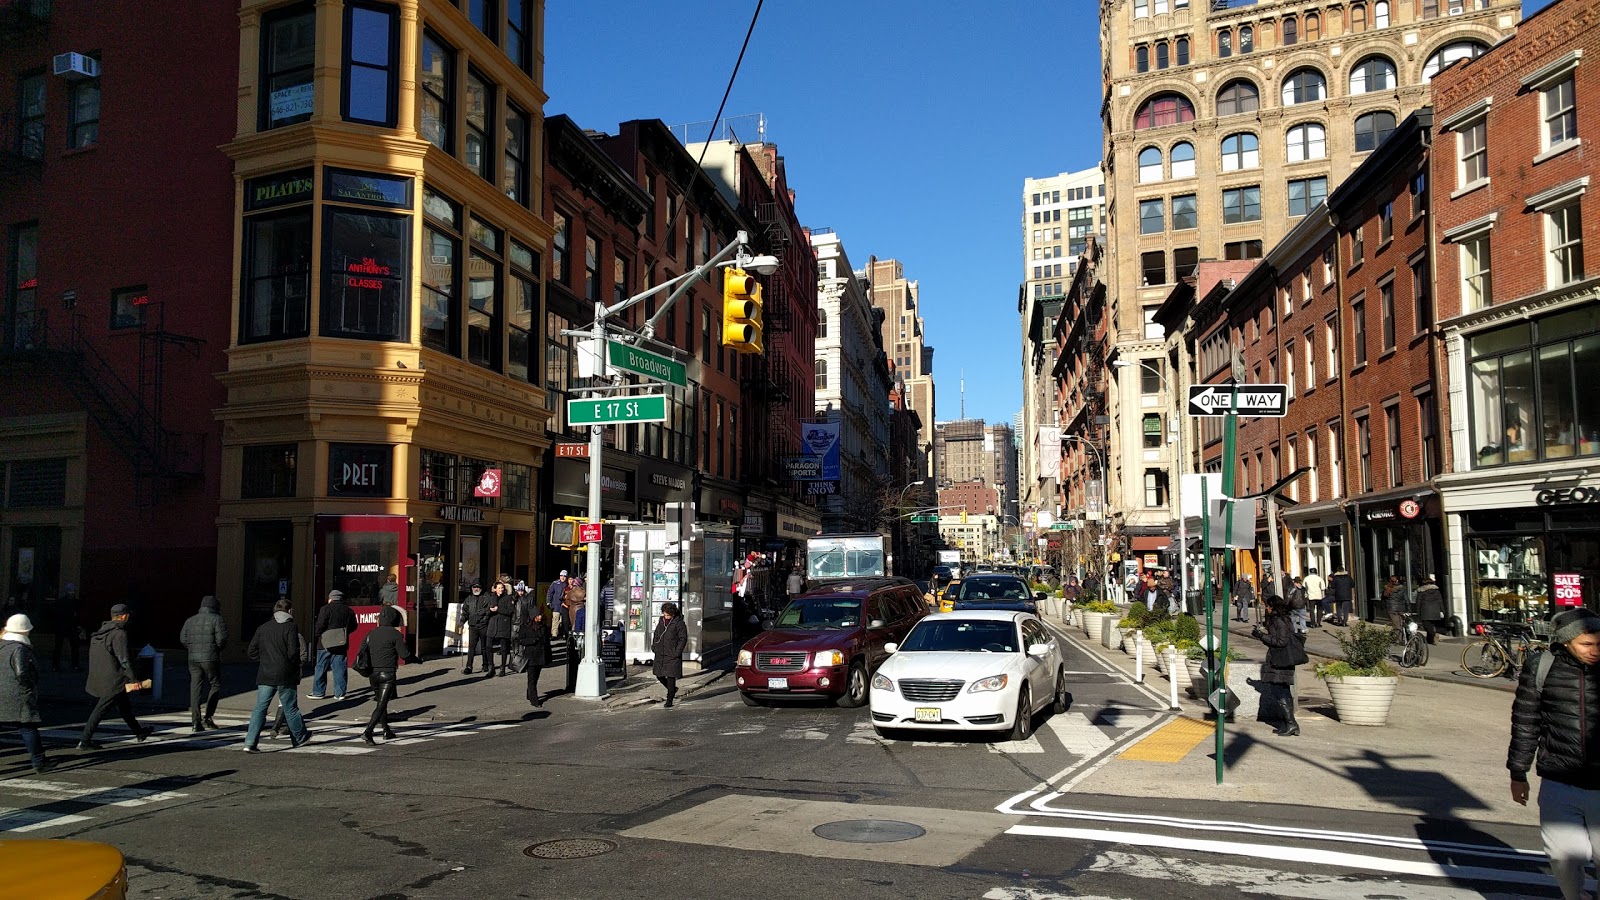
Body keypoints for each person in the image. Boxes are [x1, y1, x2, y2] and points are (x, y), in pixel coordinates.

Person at [1509, 608, 1600, 900]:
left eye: (1599, 643)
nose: (1594, 650)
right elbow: (1526, 721)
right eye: (1586, 644)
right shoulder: (1541, 667)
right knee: (1564, 857)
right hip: (1559, 781)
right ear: (1564, 642)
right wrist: (1518, 771)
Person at [79, 604, 152, 750]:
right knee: (100, 709)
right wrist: (133, 679)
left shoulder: (101, 632)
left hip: (103, 675)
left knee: (124, 707)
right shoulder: (119, 634)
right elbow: (123, 658)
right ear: (124, 616)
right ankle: (85, 740)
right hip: (114, 679)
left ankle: (139, 733)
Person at [243, 599, 310, 752]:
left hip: (266, 673)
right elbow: (293, 652)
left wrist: (265, 660)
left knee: (260, 707)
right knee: (290, 707)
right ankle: (299, 737)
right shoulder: (290, 627)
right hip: (285, 674)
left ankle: (250, 742)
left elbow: (251, 651)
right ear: (290, 611)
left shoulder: (263, 628)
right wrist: (293, 664)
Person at [0, 615, 54, 773]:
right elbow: (22, 673)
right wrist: (29, 686)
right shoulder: (19, 648)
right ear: (24, 631)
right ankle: (39, 761)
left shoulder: (2, 645)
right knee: (28, 726)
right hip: (17, 694)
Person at [358, 606, 416, 744]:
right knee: (381, 705)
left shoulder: (371, 633)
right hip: (388, 673)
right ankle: (368, 731)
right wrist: (417, 659)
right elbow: (405, 655)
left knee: (381, 703)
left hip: (373, 674)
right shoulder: (395, 634)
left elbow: (361, 652)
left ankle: (386, 730)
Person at [1252, 594, 1302, 737]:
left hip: (1281, 660)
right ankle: (1289, 724)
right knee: (1281, 690)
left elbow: (1281, 641)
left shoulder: (1279, 621)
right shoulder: (1280, 619)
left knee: (1280, 690)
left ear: (1272, 607)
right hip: (1281, 659)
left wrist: (1261, 636)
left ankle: (1291, 723)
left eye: (1267, 606)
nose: (1266, 609)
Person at [179, 595, 227, 732]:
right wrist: (216, 648)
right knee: (215, 684)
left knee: (195, 688)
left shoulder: (190, 620)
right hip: (211, 657)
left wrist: (193, 647)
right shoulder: (217, 619)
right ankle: (208, 717)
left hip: (193, 658)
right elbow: (222, 639)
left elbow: (183, 638)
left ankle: (195, 721)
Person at [310, 589, 356, 700]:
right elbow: (354, 626)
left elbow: (320, 624)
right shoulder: (348, 610)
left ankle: (318, 692)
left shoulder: (325, 609)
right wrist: (343, 634)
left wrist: (318, 634)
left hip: (324, 643)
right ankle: (340, 693)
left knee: (321, 667)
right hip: (341, 642)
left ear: (331, 598)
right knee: (340, 668)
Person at [517, 588, 552, 708]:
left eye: (540, 615)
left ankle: (529, 693)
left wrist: (548, 657)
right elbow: (520, 640)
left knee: (536, 677)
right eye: (537, 616)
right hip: (531, 656)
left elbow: (547, 643)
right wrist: (532, 641)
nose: (540, 617)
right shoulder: (526, 627)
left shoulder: (543, 627)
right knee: (531, 679)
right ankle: (534, 699)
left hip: (540, 656)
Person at [652, 602, 687, 709]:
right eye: (664, 614)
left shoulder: (679, 623)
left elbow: (683, 638)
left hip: (672, 654)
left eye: (668, 615)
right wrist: (654, 646)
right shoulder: (661, 622)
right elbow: (656, 634)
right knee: (659, 674)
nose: (666, 617)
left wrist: (677, 652)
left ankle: (669, 699)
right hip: (661, 653)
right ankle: (672, 689)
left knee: (671, 677)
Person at [484, 581, 514, 677]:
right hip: (492, 624)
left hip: (503, 624)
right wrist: (490, 610)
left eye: (502, 588)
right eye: (499, 588)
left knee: (504, 648)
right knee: (488, 646)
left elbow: (510, 611)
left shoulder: (508, 598)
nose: (500, 589)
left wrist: (498, 609)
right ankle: (491, 667)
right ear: (495, 589)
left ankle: (502, 668)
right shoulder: (491, 597)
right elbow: (486, 610)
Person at [462, 582, 491, 676]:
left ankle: (485, 664)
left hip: (483, 625)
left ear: (481, 588)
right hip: (472, 626)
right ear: (471, 588)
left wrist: (484, 619)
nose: (476, 589)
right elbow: (465, 612)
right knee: (471, 647)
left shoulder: (486, 597)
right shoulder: (469, 599)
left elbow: (488, 610)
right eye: (474, 587)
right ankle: (469, 666)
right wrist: (462, 622)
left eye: (478, 587)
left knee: (484, 647)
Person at [52, 583, 81, 672]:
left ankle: (75, 665)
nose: (72, 593)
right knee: (58, 646)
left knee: (75, 646)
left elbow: (79, 614)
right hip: (62, 626)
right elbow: (56, 615)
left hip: (72, 626)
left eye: (73, 591)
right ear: (67, 592)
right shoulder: (61, 602)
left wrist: (79, 625)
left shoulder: (76, 602)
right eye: (70, 591)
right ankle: (55, 665)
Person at [1413, 575, 1446, 643]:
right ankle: (1430, 640)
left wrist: (1418, 612)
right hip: (1435, 611)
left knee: (1427, 626)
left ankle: (1434, 635)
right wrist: (1443, 611)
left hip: (1425, 611)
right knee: (1431, 625)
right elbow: (1440, 601)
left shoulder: (1421, 592)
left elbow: (1418, 603)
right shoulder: (1436, 591)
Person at [545, 571, 569, 637]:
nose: (563, 577)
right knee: (555, 619)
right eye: (561, 576)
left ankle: (564, 633)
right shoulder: (555, 583)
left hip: (565, 605)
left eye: (564, 576)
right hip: (556, 604)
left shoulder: (568, 584)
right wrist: (548, 602)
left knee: (564, 620)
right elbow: (550, 592)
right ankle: (554, 634)